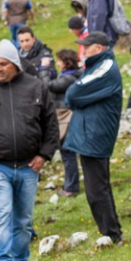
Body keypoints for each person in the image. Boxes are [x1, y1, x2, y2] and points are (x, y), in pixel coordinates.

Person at [0, 39, 59, 261]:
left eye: (2, 64)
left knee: (23, 220)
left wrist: (44, 155)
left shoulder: (36, 88)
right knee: (1, 214)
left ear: (14, 64)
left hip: (28, 167)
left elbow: (51, 124)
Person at [65, 32, 124, 243]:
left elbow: (73, 94)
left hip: (95, 135)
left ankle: (112, 234)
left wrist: (79, 100)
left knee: (97, 189)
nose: (83, 50)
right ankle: (111, 232)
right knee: (97, 187)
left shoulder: (106, 66)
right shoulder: (97, 65)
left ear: (98, 48)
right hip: (90, 133)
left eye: (86, 46)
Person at [44, 49, 82, 198]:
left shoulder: (69, 78)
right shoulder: (72, 76)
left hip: (65, 118)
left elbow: (48, 86)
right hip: (68, 117)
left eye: (60, 61)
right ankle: (70, 185)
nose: (58, 63)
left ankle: (71, 187)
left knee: (67, 153)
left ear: (67, 62)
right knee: (68, 153)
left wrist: (44, 69)